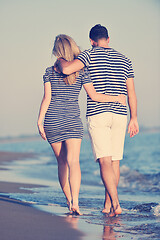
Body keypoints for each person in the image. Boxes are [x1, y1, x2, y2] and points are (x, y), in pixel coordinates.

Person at [37, 34, 126, 215]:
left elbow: (46, 99)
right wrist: (116, 98)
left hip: (52, 120)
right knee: (74, 162)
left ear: (57, 51)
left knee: (62, 163)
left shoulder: (49, 71)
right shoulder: (81, 72)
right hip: (72, 120)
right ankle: (76, 202)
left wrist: (40, 121)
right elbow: (94, 96)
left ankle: (70, 201)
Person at [56, 24, 139, 216]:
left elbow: (67, 70)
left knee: (105, 161)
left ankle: (116, 204)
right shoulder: (125, 60)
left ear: (92, 41)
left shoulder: (88, 55)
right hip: (120, 114)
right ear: (108, 39)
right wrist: (134, 118)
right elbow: (131, 93)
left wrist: (60, 60)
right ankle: (107, 205)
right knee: (115, 162)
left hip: (98, 113)